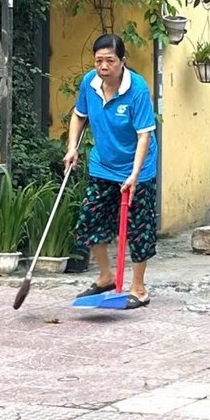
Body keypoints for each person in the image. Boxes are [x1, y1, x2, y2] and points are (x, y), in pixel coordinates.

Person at [64, 33, 159, 309]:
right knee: (90, 219)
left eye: (110, 60)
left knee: (138, 229)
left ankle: (139, 288)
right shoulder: (89, 84)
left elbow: (144, 136)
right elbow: (79, 115)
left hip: (137, 169)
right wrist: (72, 148)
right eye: (98, 61)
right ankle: (105, 277)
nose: (103, 66)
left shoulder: (137, 90)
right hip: (103, 165)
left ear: (122, 62)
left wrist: (134, 175)